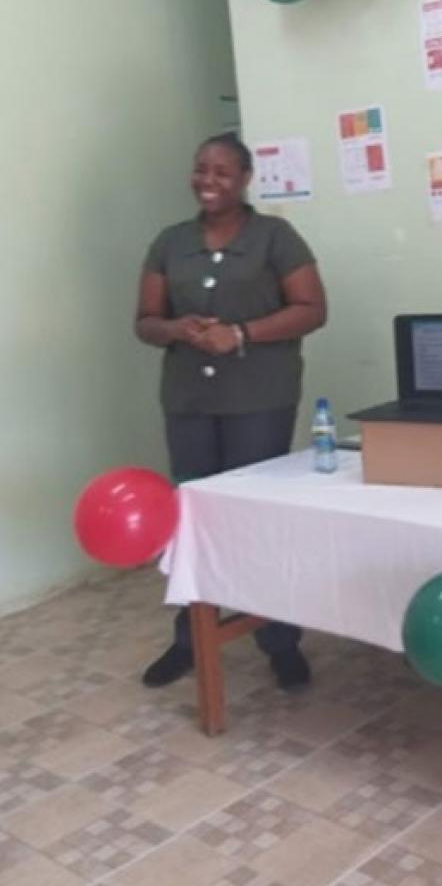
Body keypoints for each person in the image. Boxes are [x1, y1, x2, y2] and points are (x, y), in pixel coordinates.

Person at [134, 132, 327, 690]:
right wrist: (176, 327)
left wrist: (240, 334)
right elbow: (145, 321)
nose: (208, 181)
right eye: (201, 170)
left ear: (245, 179)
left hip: (258, 403)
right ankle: (190, 638)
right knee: (192, 523)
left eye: (221, 171)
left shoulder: (276, 237)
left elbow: (313, 309)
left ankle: (278, 640)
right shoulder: (169, 243)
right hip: (189, 404)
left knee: (255, 522)